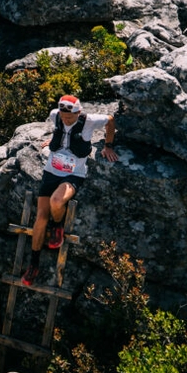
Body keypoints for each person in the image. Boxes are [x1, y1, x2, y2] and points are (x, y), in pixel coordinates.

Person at [21, 94, 117, 286]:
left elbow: (111, 120)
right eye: (64, 117)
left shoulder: (89, 121)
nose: (66, 120)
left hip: (74, 173)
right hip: (51, 170)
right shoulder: (55, 115)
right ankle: (34, 264)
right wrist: (55, 142)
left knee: (57, 202)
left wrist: (107, 145)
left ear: (78, 112)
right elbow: (59, 130)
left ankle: (58, 225)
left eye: (70, 118)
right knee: (40, 217)